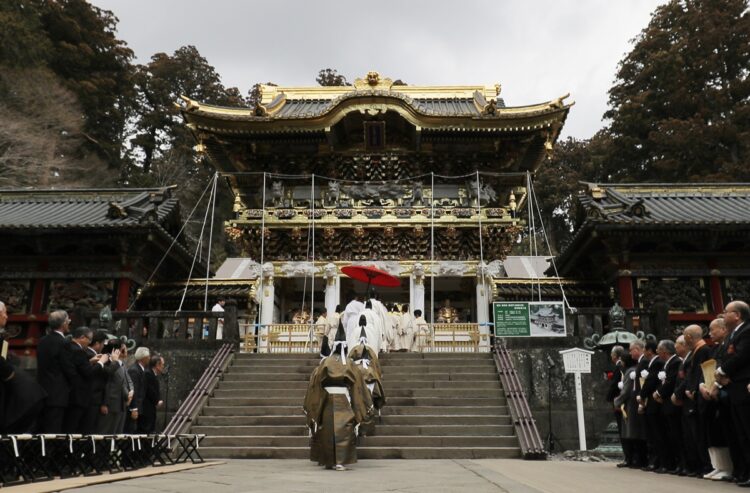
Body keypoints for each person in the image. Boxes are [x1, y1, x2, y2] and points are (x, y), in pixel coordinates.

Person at [303, 322, 371, 471]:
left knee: (326, 429)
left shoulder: (325, 362)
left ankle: (328, 460)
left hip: (326, 399)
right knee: (344, 431)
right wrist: (359, 404)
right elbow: (357, 385)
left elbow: (316, 383)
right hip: (343, 399)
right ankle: (340, 461)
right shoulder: (350, 364)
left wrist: (315, 404)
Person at [716, 300, 750, 486]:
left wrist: (722, 372)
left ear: (737, 315)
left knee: (747, 430)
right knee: (740, 433)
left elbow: (741, 356)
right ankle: (743, 471)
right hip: (733, 387)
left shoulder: (747, 331)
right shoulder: (733, 334)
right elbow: (725, 356)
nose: (723, 314)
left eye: (726, 311)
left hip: (744, 386)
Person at [700, 318, 733, 481]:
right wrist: (702, 386)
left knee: (727, 432)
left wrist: (716, 386)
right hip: (711, 392)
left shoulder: (728, 346)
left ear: (724, 329)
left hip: (725, 391)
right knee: (714, 431)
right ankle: (719, 466)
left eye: (713, 330)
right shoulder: (714, 349)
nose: (710, 333)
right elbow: (708, 369)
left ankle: (730, 467)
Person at [64, 326, 115, 434]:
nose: (89, 342)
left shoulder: (79, 351)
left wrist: (92, 362)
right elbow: (91, 372)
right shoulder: (80, 351)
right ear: (82, 337)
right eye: (89, 339)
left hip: (84, 397)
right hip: (84, 396)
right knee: (80, 429)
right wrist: (103, 362)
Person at [37, 310, 76, 433]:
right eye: (68, 320)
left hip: (41, 389)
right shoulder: (64, 343)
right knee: (53, 430)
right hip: (58, 393)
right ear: (64, 324)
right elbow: (68, 369)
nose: (69, 322)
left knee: (41, 428)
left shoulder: (42, 341)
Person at [347, 319, 386, 436]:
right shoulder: (371, 351)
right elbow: (377, 367)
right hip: (371, 378)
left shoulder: (354, 348)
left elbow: (348, 360)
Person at [683, 324, 712, 476]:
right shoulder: (697, 351)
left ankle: (707, 465)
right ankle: (702, 465)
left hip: (700, 395)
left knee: (702, 433)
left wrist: (694, 388)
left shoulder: (704, 350)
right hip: (694, 396)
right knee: (696, 434)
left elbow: (703, 371)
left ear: (688, 337)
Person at [652, 339, 680, 473]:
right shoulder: (665, 364)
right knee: (670, 435)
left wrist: (658, 393)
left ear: (665, 351)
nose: (657, 352)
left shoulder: (676, 362)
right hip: (665, 403)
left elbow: (671, 381)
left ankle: (680, 464)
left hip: (672, 402)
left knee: (676, 435)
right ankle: (674, 464)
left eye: (659, 349)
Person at [98, 340, 133, 434]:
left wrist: (128, 394)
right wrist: (104, 403)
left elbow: (123, 382)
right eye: (123, 349)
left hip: (119, 403)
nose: (125, 351)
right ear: (116, 351)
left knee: (115, 433)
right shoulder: (106, 362)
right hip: (109, 403)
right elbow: (106, 383)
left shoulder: (120, 364)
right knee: (104, 431)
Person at [607, 345, 627, 467]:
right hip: (620, 399)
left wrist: (610, 398)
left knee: (623, 428)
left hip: (620, 401)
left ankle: (628, 456)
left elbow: (615, 384)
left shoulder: (620, 366)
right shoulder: (620, 366)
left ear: (615, 356)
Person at [125, 346, 150, 433]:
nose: (149, 358)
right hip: (135, 407)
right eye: (148, 357)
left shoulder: (141, 369)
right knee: (132, 430)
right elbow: (134, 390)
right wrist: (134, 408)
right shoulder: (134, 370)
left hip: (140, 406)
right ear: (143, 358)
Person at [140, 353, 164, 433]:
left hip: (150, 408)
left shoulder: (152, 374)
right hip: (146, 409)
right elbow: (150, 391)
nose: (163, 367)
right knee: (147, 431)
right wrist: (157, 401)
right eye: (162, 365)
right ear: (157, 365)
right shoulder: (148, 374)